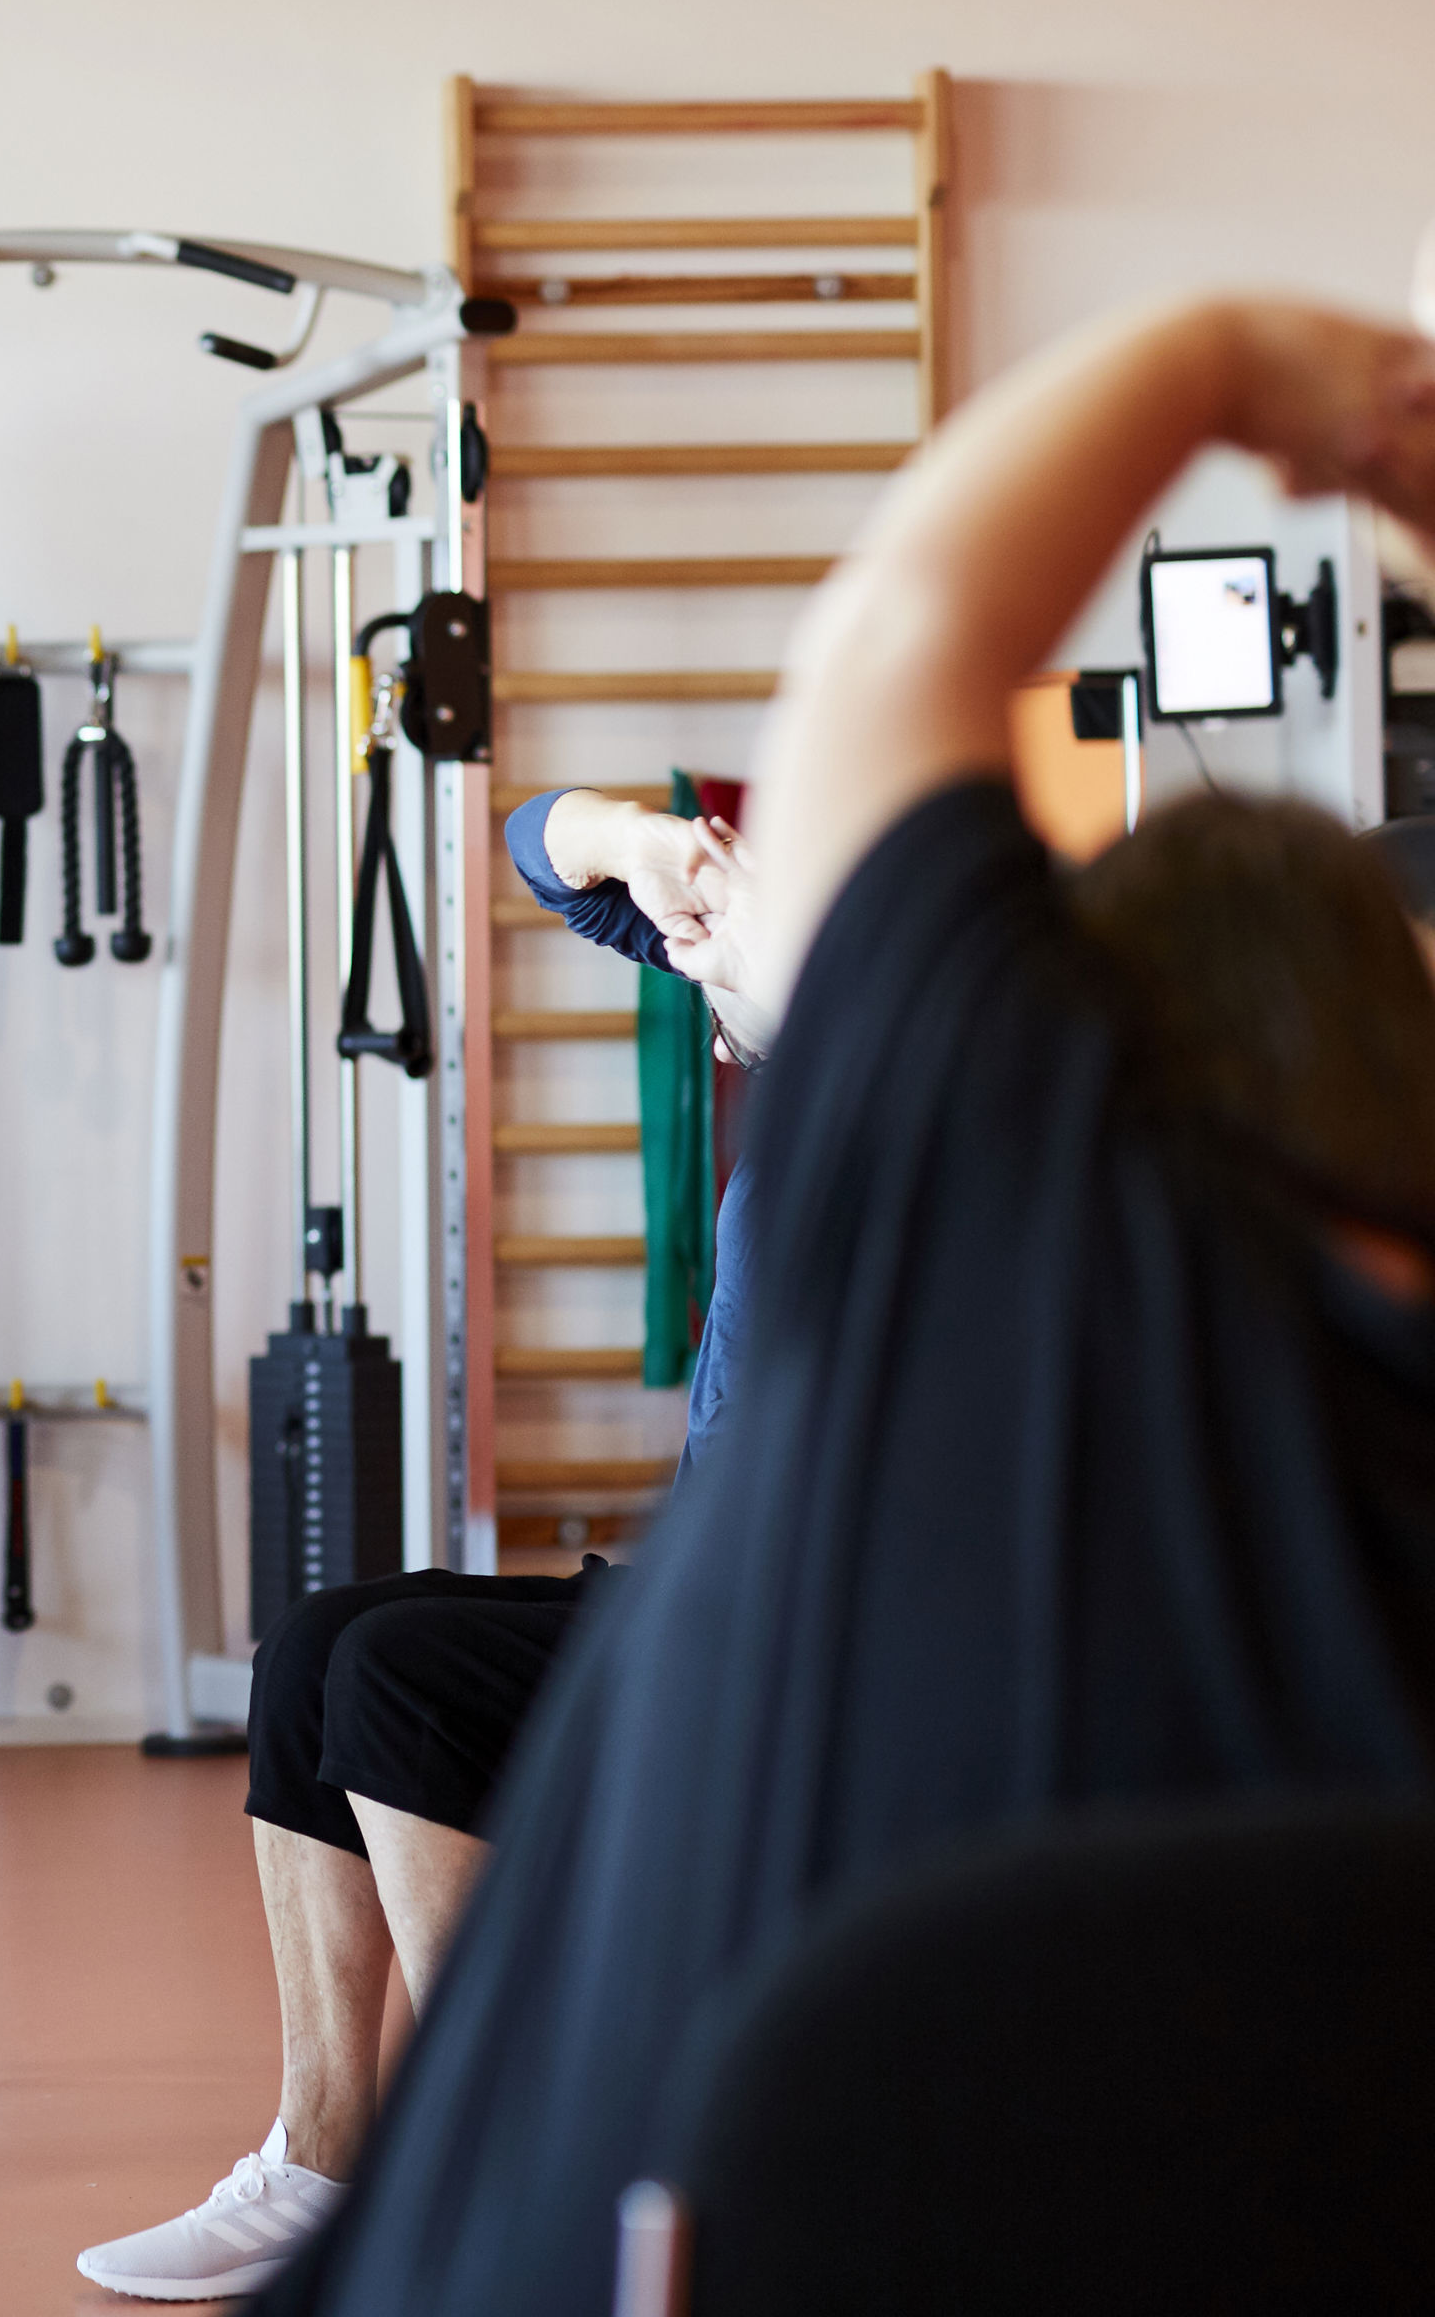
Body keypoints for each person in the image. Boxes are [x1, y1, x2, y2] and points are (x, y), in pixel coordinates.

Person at [257, 288, 1435, 2316]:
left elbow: (906, 627)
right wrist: (642, 839)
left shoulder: (932, 1209)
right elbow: (554, 834)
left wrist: (1249, 365)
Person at [76, 785, 778, 2302]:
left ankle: (523, 2172)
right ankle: (326, 2166)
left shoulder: (930, 1086)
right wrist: (653, 849)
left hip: (793, 1618)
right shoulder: (799, 1023)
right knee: (319, 1644)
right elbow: (542, 848)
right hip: (700, 1583)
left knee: (404, 1679)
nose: (705, 975)